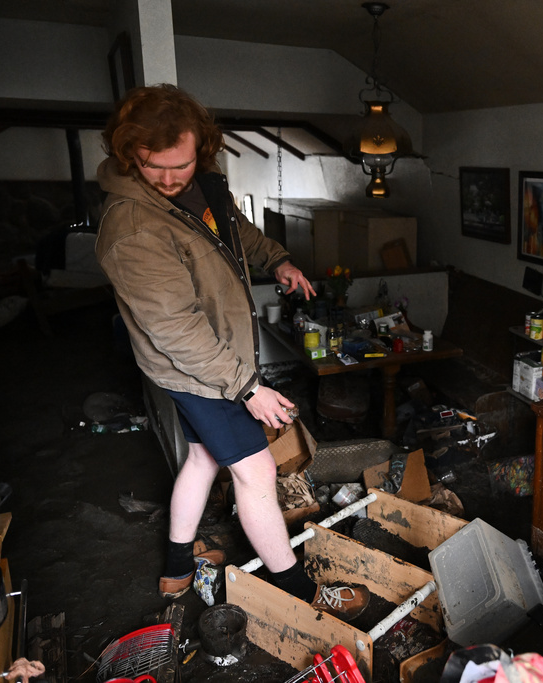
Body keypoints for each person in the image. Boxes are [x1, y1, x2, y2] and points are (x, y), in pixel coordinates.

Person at [95, 84, 367, 620]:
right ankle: (299, 593)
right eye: (155, 167)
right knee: (258, 473)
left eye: (182, 164)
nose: (171, 179)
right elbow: (177, 330)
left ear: (202, 149)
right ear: (130, 155)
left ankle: (176, 570)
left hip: (214, 359)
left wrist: (280, 261)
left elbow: (236, 235)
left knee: (200, 458)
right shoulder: (131, 230)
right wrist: (247, 388)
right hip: (201, 369)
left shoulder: (204, 187)